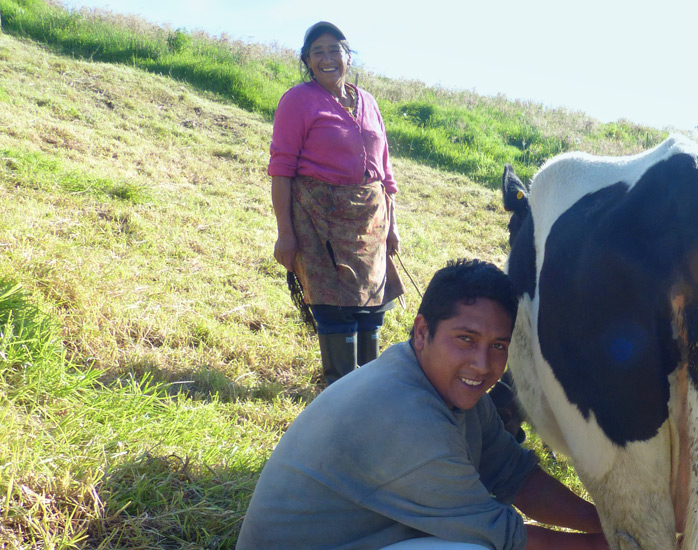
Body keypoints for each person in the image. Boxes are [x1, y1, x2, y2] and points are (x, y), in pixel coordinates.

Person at [237, 259, 608, 550]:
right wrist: (603, 545)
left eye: (498, 345)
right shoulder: (405, 418)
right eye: (465, 338)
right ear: (421, 332)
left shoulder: (448, 386)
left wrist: (611, 525)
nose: (482, 364)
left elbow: (514, 474)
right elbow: (501, 536)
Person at [269, 21, 403, 386]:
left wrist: (393, 227)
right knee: (334, 308)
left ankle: (366, 389)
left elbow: (385, 171)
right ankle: (340, 389)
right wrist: (285, 233)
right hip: (319, 219)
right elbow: (281, 169)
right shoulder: (297, 101)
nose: (327, 58)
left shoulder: (369, 102)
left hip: (370, 221)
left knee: (372, 308)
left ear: (347, 56)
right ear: (308, 62)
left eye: (334, 50)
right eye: (318, 52)